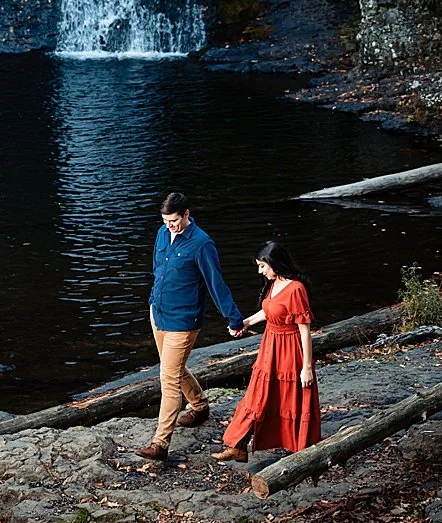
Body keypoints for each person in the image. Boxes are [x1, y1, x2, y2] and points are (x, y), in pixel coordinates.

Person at [138, 192, 246, 461]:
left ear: (186, 214)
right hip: (158, 313)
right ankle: (199, 406)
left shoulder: (201, 244)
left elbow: (215, 284)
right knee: (172, 366)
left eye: (174, 220)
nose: (169, 226)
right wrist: (153, 299)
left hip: (183, 321)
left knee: (168, 378)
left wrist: (233, 318)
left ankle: (160, 443)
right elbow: (157, 269)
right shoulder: (162, 234)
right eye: (165, 221)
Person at [211, 240, 321, 463]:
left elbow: (304, 331)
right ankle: (238, 445)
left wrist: (307, 368)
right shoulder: (274, 282)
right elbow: (269, 311)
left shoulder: (296, 289)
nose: (260, 271)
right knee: (257, 396)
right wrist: (245, 323)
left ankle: (297, 450)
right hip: (270, 347)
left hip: (289, 351)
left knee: (287, 398)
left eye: (262, 266)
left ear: (275, 263)